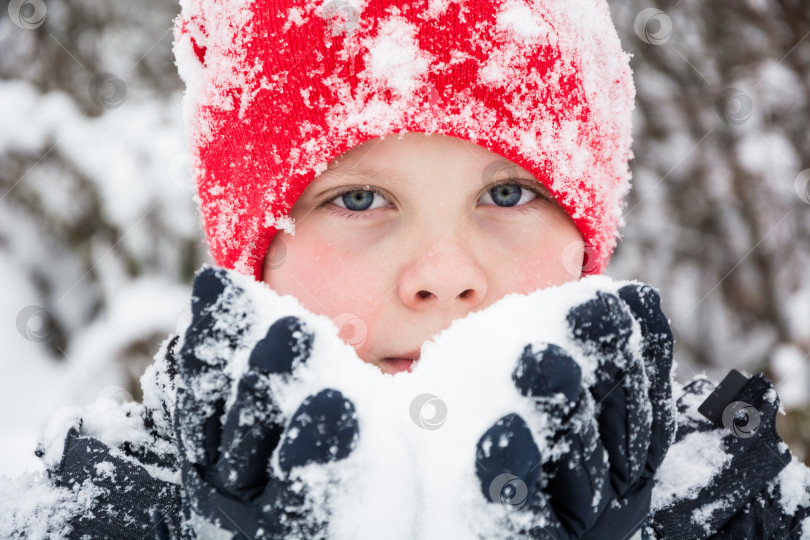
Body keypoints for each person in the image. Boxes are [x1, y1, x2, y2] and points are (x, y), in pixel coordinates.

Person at [2, 0, 809, 539]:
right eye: (358, 199)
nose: (444, 276)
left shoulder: (723, 505)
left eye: (508, 191)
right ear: (256, 253)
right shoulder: (100, 507)